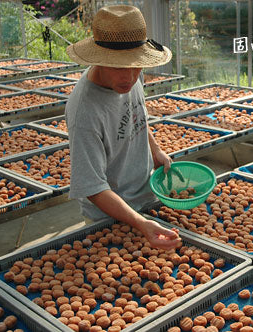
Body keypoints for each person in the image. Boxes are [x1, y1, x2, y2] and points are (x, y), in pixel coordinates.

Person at [65, 5, 180, 250]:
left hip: (146, 199)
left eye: (136, 66)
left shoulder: (129, 78)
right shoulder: (84, 111)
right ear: (99, 59)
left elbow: (136, 115)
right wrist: (140, 223)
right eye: (119, 67)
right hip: (109, 218)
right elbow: (93, 188)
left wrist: (155, 150)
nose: (129, 77)